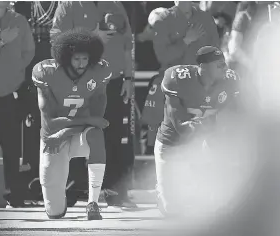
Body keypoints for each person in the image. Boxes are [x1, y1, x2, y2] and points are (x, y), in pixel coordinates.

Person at [50, 1, 137, 208]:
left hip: (114, 81)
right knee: (76, 132)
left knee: (114, 133)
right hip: (79, 80)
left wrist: (129, 78)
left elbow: (127, 45)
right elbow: (55, 40)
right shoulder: (69, 6)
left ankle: (114, 190)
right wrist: (91, 37)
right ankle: (74, 188)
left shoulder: (115, 5)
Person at [32, 28, 112, 220]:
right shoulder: (46, 72)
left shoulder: (99, 71)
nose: (81, 64)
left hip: (75, 135)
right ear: (66, 58)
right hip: (53, 138)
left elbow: (97, 122)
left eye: (85, 59)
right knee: (54, 212)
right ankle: (60, 201)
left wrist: (67, 131)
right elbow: (50, 122)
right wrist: (84, 122)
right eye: (77, 59)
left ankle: (92, 203)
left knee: (96, 135)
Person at [155, 46, 241, 217]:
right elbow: (181, 127)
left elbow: (233, 121)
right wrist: (207, 124)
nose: (225, 68)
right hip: (172, 142)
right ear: (203, 67)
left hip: (205, 141)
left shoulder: (230, 81)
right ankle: (165, 191)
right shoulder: (177, 79)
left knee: (219, 207)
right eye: (219, 65)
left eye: (224, 64)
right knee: (171, 210)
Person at [0, 1, 35, 208]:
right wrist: (0, 40)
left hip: (11, 93)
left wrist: (14, 70)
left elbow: (29, 51)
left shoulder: (19, 20)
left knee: (12, 149)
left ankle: (15, 196)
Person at [152, 1, 220, 71]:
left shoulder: (206, 19)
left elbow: (215, 52)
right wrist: (185, 41)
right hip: (174, 77)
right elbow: (162, 57)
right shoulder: (163, 19)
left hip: (201, 77)